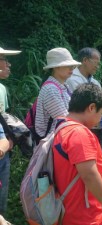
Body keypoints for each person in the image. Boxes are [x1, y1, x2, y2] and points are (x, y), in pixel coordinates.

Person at [52, 83, 102, 224]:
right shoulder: (79, 133)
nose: (100, 120)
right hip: (87, 215)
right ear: (91, 107)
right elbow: (89, 174)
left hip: (72, 210)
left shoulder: (62, 126)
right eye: (101, 113)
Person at [35, 47, 81, 140]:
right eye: (68, 65)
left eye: (73, 66)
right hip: (51, 143)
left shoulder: (63, 86)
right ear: (56, 67)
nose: (72, 68)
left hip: (59, 139)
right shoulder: (51, 89)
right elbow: (65, 120)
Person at [66, 47, 102, 140]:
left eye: (99, 64)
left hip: (94, 127)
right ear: (85, 60)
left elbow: (101, 103)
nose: (97, 67)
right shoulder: (71, 79)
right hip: (76, 127)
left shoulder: (95, 83)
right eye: (95, 63)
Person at [0, 47, 19, 216]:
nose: (9, 64)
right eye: (4, 59)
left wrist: (8, 139)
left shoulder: (2, 89)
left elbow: (3, 117)